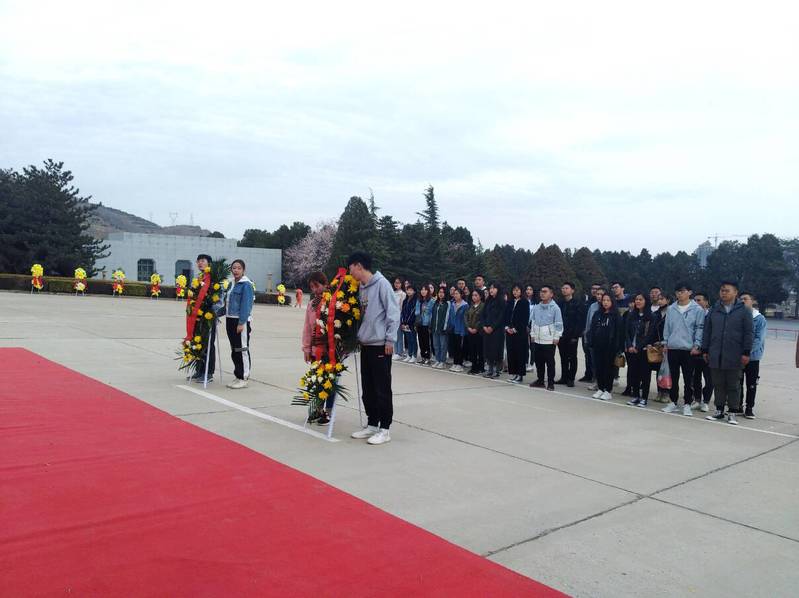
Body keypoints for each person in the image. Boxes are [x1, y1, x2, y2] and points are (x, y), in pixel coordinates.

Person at [348, 252, 401, 445]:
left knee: (382, 388)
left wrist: (390, 340)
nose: (350, 273)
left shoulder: (382, 284)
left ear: (359, 266)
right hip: (366, 345)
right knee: (368, 388)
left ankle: (385, 429)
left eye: (351, 268)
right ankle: (372, 423)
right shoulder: (361, 287)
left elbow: (393, 313)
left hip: (380, 345)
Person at [703, 281, 753, 426]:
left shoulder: (744, 310)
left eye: (727, 290)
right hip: (715, 353)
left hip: (735, 354)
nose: (723, 293)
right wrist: (705, 349)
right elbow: (707, 330)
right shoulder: (714, 309)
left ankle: (732, 412)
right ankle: (719, 410)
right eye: (722, 290)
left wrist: (746, 352)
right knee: (718, 383)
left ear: (735, 292)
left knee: (733, 384)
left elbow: (749, 333)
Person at [661, 282, 705, 416]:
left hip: (688, 349)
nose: (679, 294)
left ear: (689, 292)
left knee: (688, 378)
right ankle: (673, 402)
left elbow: (699, 328)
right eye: (677, 292)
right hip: (673, 347)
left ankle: (687, 404)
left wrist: (697, 345)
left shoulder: (697, 309)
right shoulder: (671, 309)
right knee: (673, 377)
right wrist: (665, 343)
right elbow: (667, 327)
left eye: (682, 291)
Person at [301, 271, 336, 425]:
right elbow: (307, 328)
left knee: (330, 381)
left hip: (330, 350)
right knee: (318, 380)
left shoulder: (333, 301)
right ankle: (318, 409)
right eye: (312, 287)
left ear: (325, 284)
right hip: (316, 349)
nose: (315, 290)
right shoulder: (311, 304)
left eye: (317, 286)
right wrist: (306, 348)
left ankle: (328, 411)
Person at [587, 294, 623, 401]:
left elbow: (619, 332)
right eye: (604, 300)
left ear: (612, 302)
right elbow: (592, 328)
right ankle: (601, 388)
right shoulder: (597, 314)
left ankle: (608, 390)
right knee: (599, 368)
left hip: (610, 346)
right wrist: (591, 341)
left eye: (608, 300)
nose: (605, 302)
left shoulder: (616, 316)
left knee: (609, 369)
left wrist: (618, 347)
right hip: (598, 345)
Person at [225, 259, 254, 390]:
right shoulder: (231, 283)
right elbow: (226, 303)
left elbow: (246, 305)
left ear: (243, 270)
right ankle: (238, 375)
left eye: (239, 268)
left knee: (242, 349)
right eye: (234, 268)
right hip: (230, 319)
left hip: (240, 320)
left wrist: (242, 322)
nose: (236, 270)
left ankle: (244, 377)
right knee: (234, 349)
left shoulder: (246, 284)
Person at [529, 285, 563, 391]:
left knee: (550, 362)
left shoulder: (555, 308)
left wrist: (557, 336)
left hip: (549, 340)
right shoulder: (536, 307)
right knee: (539, 362)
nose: (542, 293)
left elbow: (559, 324)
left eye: (545, 291)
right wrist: (532, 335)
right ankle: (540, 380)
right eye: (541, 291)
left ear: (551, 294)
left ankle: (551, 382)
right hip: (537, 339)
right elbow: (533, 322)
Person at [739, 292, 767, 419]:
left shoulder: (759, 319)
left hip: (752, 357)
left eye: (745, 299)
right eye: (740, 299)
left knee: (751, 384)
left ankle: (749, 408)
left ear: (752, 301)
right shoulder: (738, 316)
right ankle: (737, 406)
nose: (742, 301)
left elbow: (758, 339)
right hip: (738, 356)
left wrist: (746, 352)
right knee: (737, 383)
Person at [191, 254, 217, 383]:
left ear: (209, 263)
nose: (200, 263)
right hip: (197, 316)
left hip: (208, 317)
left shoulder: (214, 278)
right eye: (198, 261)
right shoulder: (199, 278)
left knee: (208, 344)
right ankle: (199, 370)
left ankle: (208, 372)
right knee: (198, 343)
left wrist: (212, 310)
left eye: (203, 261)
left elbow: (218, 299)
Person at [624, 293, 653, 406]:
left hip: (643, 350)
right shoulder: (631, 315)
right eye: (636, 299)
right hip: (631, 349)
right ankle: (636, 396)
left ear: (646, 301)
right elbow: (626, 332)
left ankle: (644, 398)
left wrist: (638, 347)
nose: (638, 301)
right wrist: (629, 345)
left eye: (641, 299)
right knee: (633, 373)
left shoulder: (651, 317)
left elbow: (649, 335)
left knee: (645, 375)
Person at [556, 282, 584, 387]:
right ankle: (564, 377)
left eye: (566, 288)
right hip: (561, 334)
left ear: (572, 290)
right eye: (563, 288)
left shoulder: (578, 304)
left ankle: (571, 378)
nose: (564, 290)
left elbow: (580, 321)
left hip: (572, 335)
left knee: (572, 357)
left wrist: (576, 335)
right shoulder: (560, 303)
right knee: (563, 357)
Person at [690, 292, 714, 411]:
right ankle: (697, 399)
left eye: (699, 300)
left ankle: (706, 401)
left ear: (706, 302)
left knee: (709, 379)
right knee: (695, 378)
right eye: (694, 300)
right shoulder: (692, 315)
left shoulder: (712, 315)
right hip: (694, 351)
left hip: (708, 352)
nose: (696, 303)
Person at [505, 284, 530, 384]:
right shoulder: (510, 302)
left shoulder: (524, 302)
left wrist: (515, 329)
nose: (515, 292)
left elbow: (525, 318)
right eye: (514, 290)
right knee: (511, 353)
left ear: (521, 291)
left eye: (517, 290)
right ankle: (513, 373)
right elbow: (506, 315)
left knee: (520, 353)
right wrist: (507, 327)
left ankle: (520, 375)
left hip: (520, 333)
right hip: (509, 331)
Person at [579, 283, 602, 382]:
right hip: (588, 333)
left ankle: (597, 378)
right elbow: (587, 319)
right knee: (588, 355)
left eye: (597, 290)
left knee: (597, 359)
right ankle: (589, 374)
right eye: (593, 289)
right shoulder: (589, 304)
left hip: (600, 336)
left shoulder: (606, 304)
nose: (595, 291)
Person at [481, 284, 506, 378]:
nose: (491, 290)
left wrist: (492, 327)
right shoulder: (488, 300)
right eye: (490, 288)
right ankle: (490, 370)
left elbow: (501, 316)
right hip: (486, 329)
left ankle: (497, 371)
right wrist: (484, 326)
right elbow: (483, 314)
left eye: (494, 288)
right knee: (488, 350)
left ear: (498, 289)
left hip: (497, 330)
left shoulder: (501, 301)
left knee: (496, 350)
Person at [584, 288, 606, 390]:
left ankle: (605, 384)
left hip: (604, 340)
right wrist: (587, 337)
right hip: (593, 338)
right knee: (594, 362)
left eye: (601, 294)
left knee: (604, 364)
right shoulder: (592, 306)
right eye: (597, 294)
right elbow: (588, 323)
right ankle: (596, 381)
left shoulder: (608, 307)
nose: (599, 296)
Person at [447, 288, 469, 372]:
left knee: (459, 347)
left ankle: (459, 364)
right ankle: (455, 363)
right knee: (454, 347)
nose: (455, 295)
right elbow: (450, 317)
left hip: (461, 329)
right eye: (454, 294)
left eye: (457, 293)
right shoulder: (452, 304)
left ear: (461, 295)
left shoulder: (465, 305)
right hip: (452, 329)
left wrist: (464, 330)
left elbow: (465, 319)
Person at [465, 289, 485, 374]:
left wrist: (476, 328)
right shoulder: (471, 306)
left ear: (480, 296)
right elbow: (466, 317)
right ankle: (474, 367)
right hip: (470, 330)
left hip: (479, 332)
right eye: (473, 295)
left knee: (479, 350)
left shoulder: (483, 306)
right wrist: (468, 327)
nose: (474, 297)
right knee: (472, 350)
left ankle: (481, 367)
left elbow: (482, 319)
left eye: (476, 295)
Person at [430, 287, 450, 368]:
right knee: (436, 345)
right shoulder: (436, 303)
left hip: (443, 329)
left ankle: (442, 361)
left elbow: (447, 316)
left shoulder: (447, 303)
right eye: (439, 292)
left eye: (442, 292)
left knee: (443, 346)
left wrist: (445, 327)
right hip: (435, 328)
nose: (441, 294)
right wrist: (431, 326)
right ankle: (437, 360)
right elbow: (432, 315)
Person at [415, 285, 434, 365]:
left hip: (427, 323)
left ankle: (428, 357)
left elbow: (432, 313)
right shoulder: (419, 300)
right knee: (421, 341)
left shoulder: (431, 301)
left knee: (427, 341)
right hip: (419, 323)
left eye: (425, 290)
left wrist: (430, 323)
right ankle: (423, 357)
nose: (423, 291)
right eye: (422, 289)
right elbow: (416, 311)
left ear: (428, 291)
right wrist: (420, 311)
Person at [400, 285, 419, 363]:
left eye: (411, 290)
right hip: (405, 324)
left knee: (413, 339)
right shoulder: (405, 300)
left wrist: (409, 323)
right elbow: (403, 312)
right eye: (408, 290)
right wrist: (403, 322)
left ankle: (414, 355)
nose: (409, 291)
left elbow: (413, 313)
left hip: (411, 323)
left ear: (414, 291)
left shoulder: (416, 301)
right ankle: (409, 355)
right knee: (408, 340)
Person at [392, 277, 407, 360]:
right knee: (394, 334)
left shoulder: (403, 294)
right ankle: (396, 351)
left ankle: (399, 352)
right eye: (395, 282)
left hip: (399, 315)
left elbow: (401, 307)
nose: (396, 284)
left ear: (401, 284)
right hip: (392, 316)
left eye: (398, 283)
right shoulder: (393, 292)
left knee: (399, 335)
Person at [524, 285, 536, 372]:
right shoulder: (523, 301)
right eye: (527, 289)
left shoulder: (536, 302)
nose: (528, 291)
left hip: (533, 325)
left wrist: (531, 325)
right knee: (525, 346)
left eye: (530, 289)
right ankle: (525, 362)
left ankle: (531, 363)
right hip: (524, 325)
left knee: (532, 346)